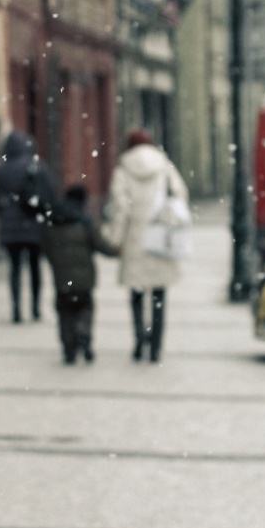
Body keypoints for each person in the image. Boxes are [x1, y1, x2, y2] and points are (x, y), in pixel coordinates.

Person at [104, 130, 189, 363]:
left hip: (135, 240)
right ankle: (156, 347)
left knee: (137, 294)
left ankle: (140, 339)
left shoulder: (122, 171)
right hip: (160, 237)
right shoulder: (164, 167)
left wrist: (116, 240)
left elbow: (120, 208)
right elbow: (180, 194)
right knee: (159, 295)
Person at [40, 185, 120, 364]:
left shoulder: (52, 220)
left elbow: (45, 247)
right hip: (84, 279)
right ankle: (84, 333)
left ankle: (69, 348)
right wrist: (116, 252)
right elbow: (100, 245)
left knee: (65, 313)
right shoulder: (85, 221)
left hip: (61, 279)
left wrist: (56, 261)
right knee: (85, 308)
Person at [0, 131, 59, 323]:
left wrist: (6, 212)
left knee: (15, 268)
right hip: (34, 226)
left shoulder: (1, 170)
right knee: (36, 268)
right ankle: (35, 308)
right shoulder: (37, 166)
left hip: (10, 228)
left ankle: (16, 310)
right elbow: (52, 195)